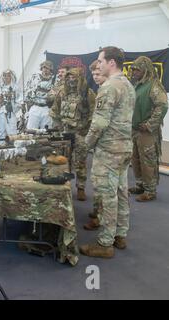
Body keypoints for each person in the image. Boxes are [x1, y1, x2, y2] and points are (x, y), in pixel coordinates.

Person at [80, 46, 136, 258]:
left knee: (107, 195)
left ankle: (105, 243)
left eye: (101, 61)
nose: (99, 64)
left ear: (111, 62)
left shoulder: (109, 87)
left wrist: (87, 144)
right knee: (121, 191)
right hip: (124, 148)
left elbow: (99, 124)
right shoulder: (127, 85)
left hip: (109, 151)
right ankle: (120, 235)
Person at [50, 68, 96, 201]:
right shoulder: (62, 93)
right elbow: (55, 111)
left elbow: (93, 113)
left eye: (74, 78)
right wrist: (57, 127)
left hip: (80, 133)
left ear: (80, 78)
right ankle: (65, 186)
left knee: (80, 161)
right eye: (69, 78)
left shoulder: (87, 93)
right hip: (65, 132)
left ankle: (81, 188)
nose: (71, 80)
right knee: (64, 160)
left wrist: (86, 128)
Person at [129, 56, 168, 202]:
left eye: (137, 70)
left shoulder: (153, 86)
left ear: (145, 69)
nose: (134, 72)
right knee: (136, 159)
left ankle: (150, 191)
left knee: (148, 161)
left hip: (147, 132)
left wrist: (150, 124)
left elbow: (163, 106)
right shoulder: (138, 85)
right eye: (133, 70)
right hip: (135, 130)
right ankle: (140, 185)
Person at [87, 60, 107, 220]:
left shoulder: (107, 90)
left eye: (98, 73)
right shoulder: (104, 89)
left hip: (107, 146)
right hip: (110, 144)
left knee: (103, 184)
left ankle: (101, 217)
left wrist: (87, 144)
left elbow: (99, 123)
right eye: (93, 74)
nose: (95, 77)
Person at [25, 60, 55, 129]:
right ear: (41, 68)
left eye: (47, 68)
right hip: (35, 107)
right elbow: (27, 90)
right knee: (31, 130)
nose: (45, 70)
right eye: (44, 67)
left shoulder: (54, 80)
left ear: (51, 69)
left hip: (46, 108)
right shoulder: (34, 77)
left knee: (46, 131)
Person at [0, 69, 20, 142]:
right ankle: (1, 145)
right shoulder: (0, 87)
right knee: (0, 130)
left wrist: (13, 108)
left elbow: (20, 101)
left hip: (10, 114)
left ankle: (13, 147)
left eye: (8, 76)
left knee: (12, 132)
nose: (6, 78)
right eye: (4, 76)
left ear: (11, 77)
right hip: (0, 112)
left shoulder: (15, 88)